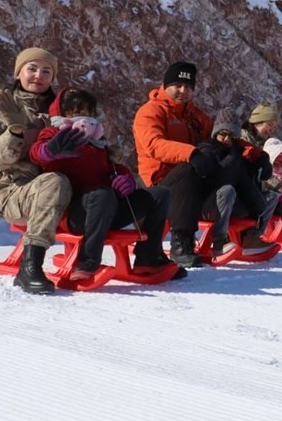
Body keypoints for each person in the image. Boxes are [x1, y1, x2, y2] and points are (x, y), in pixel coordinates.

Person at [30, 88, 183, 281]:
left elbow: (111, 168)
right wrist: (50, 149)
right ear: (62, 113)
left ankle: (149, 256)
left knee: (160, 194)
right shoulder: (53, 133)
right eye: (76, 111)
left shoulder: (97, 139)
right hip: (72, 213)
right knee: (101, 195)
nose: (84, 116)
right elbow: (37, 153)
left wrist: (124, 179)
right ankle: (87, 262)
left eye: (88, 112)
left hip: (105, 208)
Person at [0, 47, 82, 294]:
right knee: (54, 182)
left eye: (46, 71)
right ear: (19, 73)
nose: (38, 75)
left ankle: (92, 261)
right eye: (32, 68)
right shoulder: (1, 111)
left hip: (63, 189)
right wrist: (14, 131)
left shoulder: (62, 110)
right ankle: (30, 267)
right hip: (15, 192)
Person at [132, 61, 216, 267]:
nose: (182, 91)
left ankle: (239, 235)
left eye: (188, 87)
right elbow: (154, 145)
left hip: (192, 178)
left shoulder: (195, 116)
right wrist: (192, 153)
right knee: (186, 170)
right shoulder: (150, 111)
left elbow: (216, 134)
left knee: (230, 165)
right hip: (159, 182)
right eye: (177, 85)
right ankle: (181, 242)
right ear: (165, 85)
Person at [192, 117, 279, 253]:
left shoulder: (238, 151)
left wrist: (262, 161)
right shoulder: (207, 149)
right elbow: (213, 178)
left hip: (231, 203)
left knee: (271, 197)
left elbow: (244, 180)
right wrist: (231, 162)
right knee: (228, 190)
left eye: (231, 136)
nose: (227, 139)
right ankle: (219, 241)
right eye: (223, 135)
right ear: (216, 133)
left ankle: (251, 237)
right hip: (208, 205)